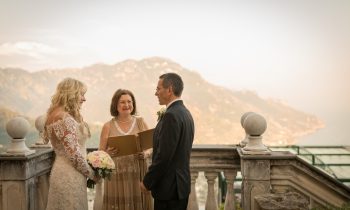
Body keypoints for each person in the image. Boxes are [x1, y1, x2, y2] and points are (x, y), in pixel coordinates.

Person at [140, 73, 195, 210]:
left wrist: (147, 182)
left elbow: (164, 156)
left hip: (169, 189)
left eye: (158, 89)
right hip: (180, 186)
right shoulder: (185, 113)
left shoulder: (171, 115)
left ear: (169, 89)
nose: (155, 93)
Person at [43, 77, 98, 210]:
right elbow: (74, 155)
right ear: (71, 94)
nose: (84, 99)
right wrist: (92, 174)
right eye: (82, 94)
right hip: (70, 175)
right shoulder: (64, 118)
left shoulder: (52, 115)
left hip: (60, 171)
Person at [95, 89, 153, 210]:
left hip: (138, 173)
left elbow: (151, 146)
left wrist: (146, 153)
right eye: (122, 102)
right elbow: (100, 154)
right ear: (115, 105)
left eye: (129, 101)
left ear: (133, 104)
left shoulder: (140, 122)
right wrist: (107, 153)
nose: (126, 105)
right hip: (116, 176)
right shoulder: (107, 126)